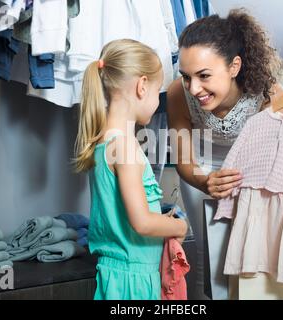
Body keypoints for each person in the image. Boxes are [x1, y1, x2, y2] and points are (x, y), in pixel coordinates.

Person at [166, 8, 283, 299]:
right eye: (186, 76)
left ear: (234, 66)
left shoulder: (267, 91)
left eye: (204, 75)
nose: (193, 88)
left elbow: (280, 147)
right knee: (208, 247)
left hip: (247, 165)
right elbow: (184, 160)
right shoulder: (177, 94)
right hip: (201, 166)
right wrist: (205, 180)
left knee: (248, 242)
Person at [74, 39, 188, 300]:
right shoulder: (124, 146)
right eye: (157, 91)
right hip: (135, 282)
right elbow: (141, 222)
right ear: (142, 86)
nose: (158, 102)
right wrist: (179, 227)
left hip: (116, 274)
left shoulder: (102, 141)